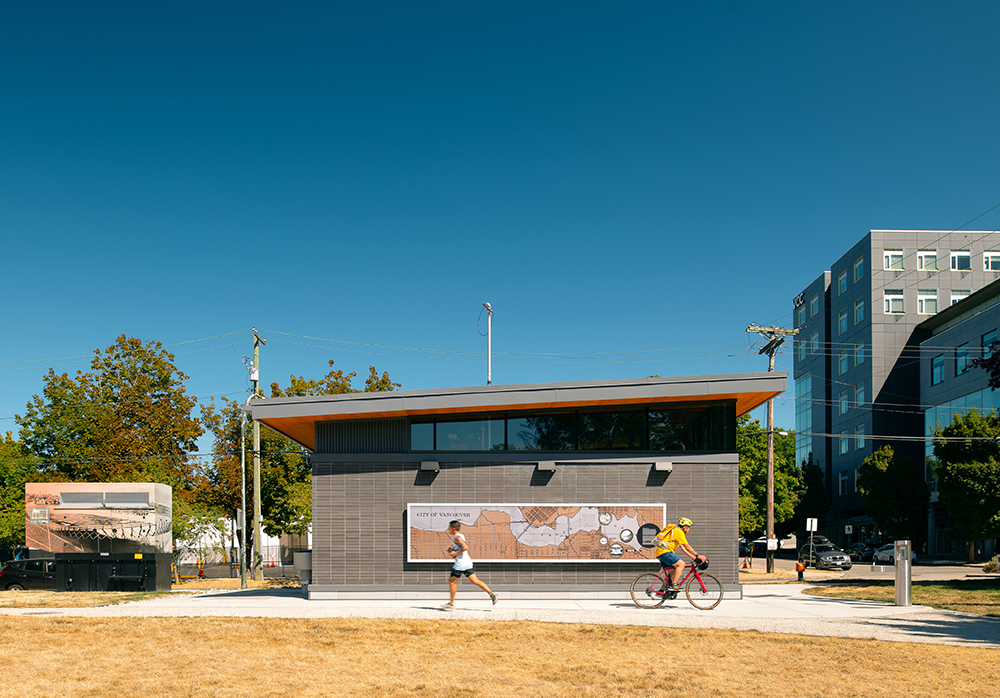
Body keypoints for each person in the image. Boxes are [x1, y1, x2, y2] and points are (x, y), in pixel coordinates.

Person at [442, 520, 497, 610]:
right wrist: (451, 550)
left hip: (460, 563)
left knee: (452, 582)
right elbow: (460, 548)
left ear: (453, 528)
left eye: (449, 528)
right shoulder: (460, 536)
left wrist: (454, 553)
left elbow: (465, 547)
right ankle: (491, 594)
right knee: (475, 581)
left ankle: (451, 604)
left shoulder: (457, 537)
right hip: (466, 562)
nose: (448, 530)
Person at [652, 517, 706, 591]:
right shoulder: (679, 532)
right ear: (686, 527)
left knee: (673, 573)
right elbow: (687, 546)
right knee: (681, 564)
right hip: (665, 552)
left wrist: (694, 558)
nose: (689, 530)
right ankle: (674, 585)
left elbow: (683, 548)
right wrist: (698, 555)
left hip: (661, 553)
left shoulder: (676, 532)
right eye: (689, 528)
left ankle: (661, 591)